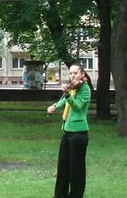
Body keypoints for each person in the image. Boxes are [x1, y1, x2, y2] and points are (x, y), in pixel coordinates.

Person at [47, 63, 90, 198]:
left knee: (75, 169)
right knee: (63, 167)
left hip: (79, 134)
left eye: (75, 73)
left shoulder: (85, 89)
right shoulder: (72, 88)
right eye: (70, 73)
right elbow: (64, 102)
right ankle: (59, 195)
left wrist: (67, 95)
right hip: (67, 132)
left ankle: (75, 195)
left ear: (82, 73)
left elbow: (77, 107)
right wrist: (54, 106)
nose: (72, 76)